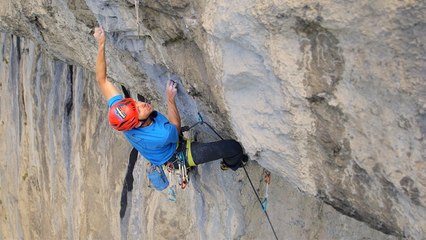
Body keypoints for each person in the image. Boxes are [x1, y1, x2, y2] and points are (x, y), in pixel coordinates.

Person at [93, 27, 247, 175]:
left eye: (135, 103)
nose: (142, 104)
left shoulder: (122, 113)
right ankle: (230, 164)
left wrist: (101, 44)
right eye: (139, 110)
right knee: (233, 148)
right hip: (177, 156)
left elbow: (101, 80)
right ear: (138, 123)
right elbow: (176, 127)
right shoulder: (161, 134)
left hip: (161, 150)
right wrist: (170, 99)